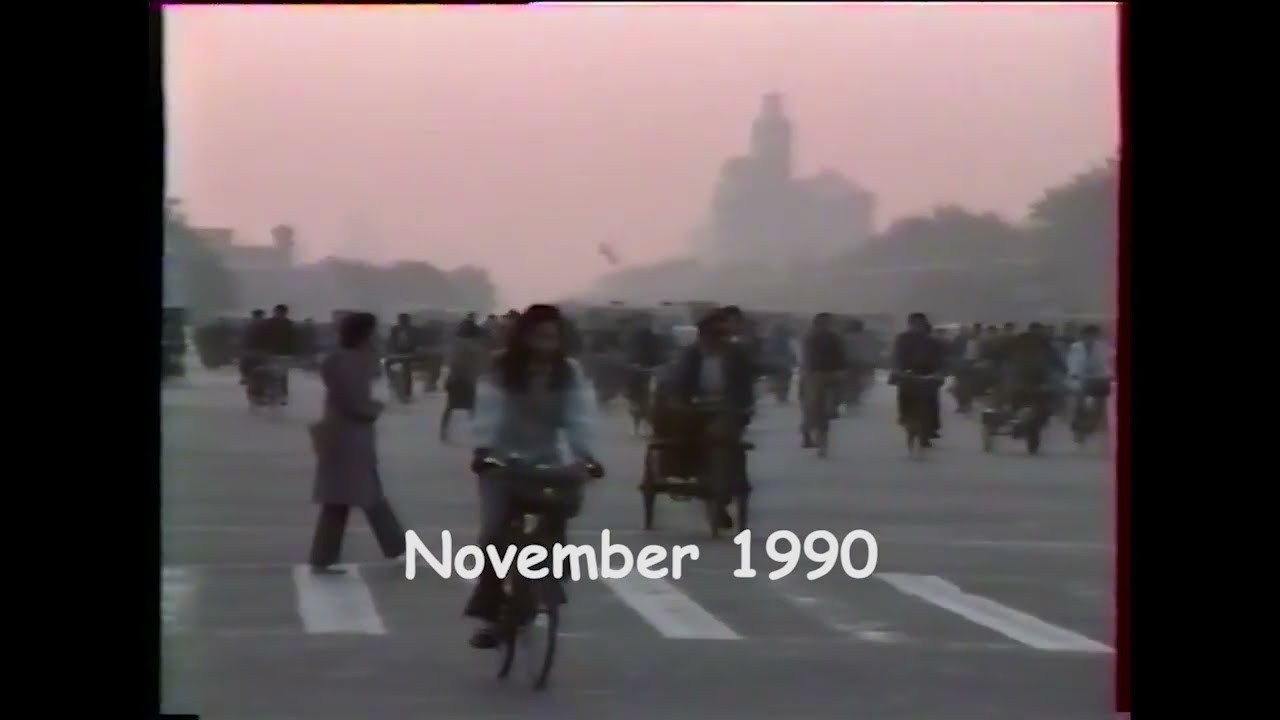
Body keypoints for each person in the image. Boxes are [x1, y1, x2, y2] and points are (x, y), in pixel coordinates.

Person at [465, 304, 601, 648]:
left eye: (553, 336)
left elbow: (578, 416)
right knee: (494, 533)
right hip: (504, 460)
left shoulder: (568, 372)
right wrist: (485, 450)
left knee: (557, 515)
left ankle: (544, 581)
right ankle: (492, 613)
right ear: (524, 337)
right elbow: (489, 412)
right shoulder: (500, 369)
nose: (547, 343)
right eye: (540, 335)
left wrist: (585, 456)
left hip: (547, 460)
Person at [308, 312, 406, 574]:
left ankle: (396, 545)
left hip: (343, 437)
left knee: (352, 497)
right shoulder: (352, 363)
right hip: (350, 439)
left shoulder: (340, 359)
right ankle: (395, 546)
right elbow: (356, 404)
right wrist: (374, 409)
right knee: (355, 497)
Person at [669, 310, 755, 528]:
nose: (713, 341)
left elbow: (745, 387)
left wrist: (742, 407)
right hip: (694, 409)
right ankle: (691, 473)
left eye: (718, 336)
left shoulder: (737, 355)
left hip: (728, 409)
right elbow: (678, 385)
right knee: (681, 439)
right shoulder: (690, 355)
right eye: (709, 336)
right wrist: (682, 404)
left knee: (723, 439)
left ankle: (721, 495)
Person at [891, 312, 946, 445]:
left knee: (932, 400)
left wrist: (940, 372)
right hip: (907, 374)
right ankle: (905, 418)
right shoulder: (902, 339)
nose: (917, 327)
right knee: (904, 396)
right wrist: (898, 370)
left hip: (928, 375)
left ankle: (931, 428)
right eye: (914, 324)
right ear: (909, 325)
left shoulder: (932, 342)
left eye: (919, 324)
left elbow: (940, 360)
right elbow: (897, 357)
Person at [800, 313, 847, 448]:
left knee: (817, 408)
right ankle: (809, 435)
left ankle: (814, 435)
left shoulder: (831, 338)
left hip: (822, 375)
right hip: (817, 375)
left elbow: (841, 356)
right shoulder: (812, 338)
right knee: (813, 408)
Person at [441, 320, 489, 442]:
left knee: (451, 406)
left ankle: (444, 431)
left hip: (456, 379)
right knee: (470, 407)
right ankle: (475, 432)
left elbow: (452, 362)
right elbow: (480, 364)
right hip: (466, 380)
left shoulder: (457, 344)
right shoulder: (475, 346)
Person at [1065, 324, 1112, 429]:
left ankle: (1094, 421)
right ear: (1084, 336)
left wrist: (1106, 374)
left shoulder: (1101, 347)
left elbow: (1104, 364)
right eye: (1089, 336)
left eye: (1094, 336)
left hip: (1096, 378)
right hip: (1079, 378)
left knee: (1101, 396)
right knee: (1079, 397)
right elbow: (1072, 364)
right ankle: (1078, 421)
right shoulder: (1075, 347)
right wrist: (1076, 374)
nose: (1091, 339)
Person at [261, 304, 297, 402]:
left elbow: (293, 340)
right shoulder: (289, 324)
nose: (280, 314)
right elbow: (294, 340)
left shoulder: (268, 323)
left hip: (275, 354)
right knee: (280, 375)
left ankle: (276, 395)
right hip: (279, 354)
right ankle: (280, 395)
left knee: (278, 375)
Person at [386, 313, 418, 400]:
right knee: (393, 369)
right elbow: (391, 342)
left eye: (405, 320)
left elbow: (415, 343)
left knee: (406, 372)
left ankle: (407, 392)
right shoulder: (395, 330)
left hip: (408, 353)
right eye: (401, 320)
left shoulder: (413, 330)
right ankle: (398, 389)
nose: (403, 322)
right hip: (397, 353)